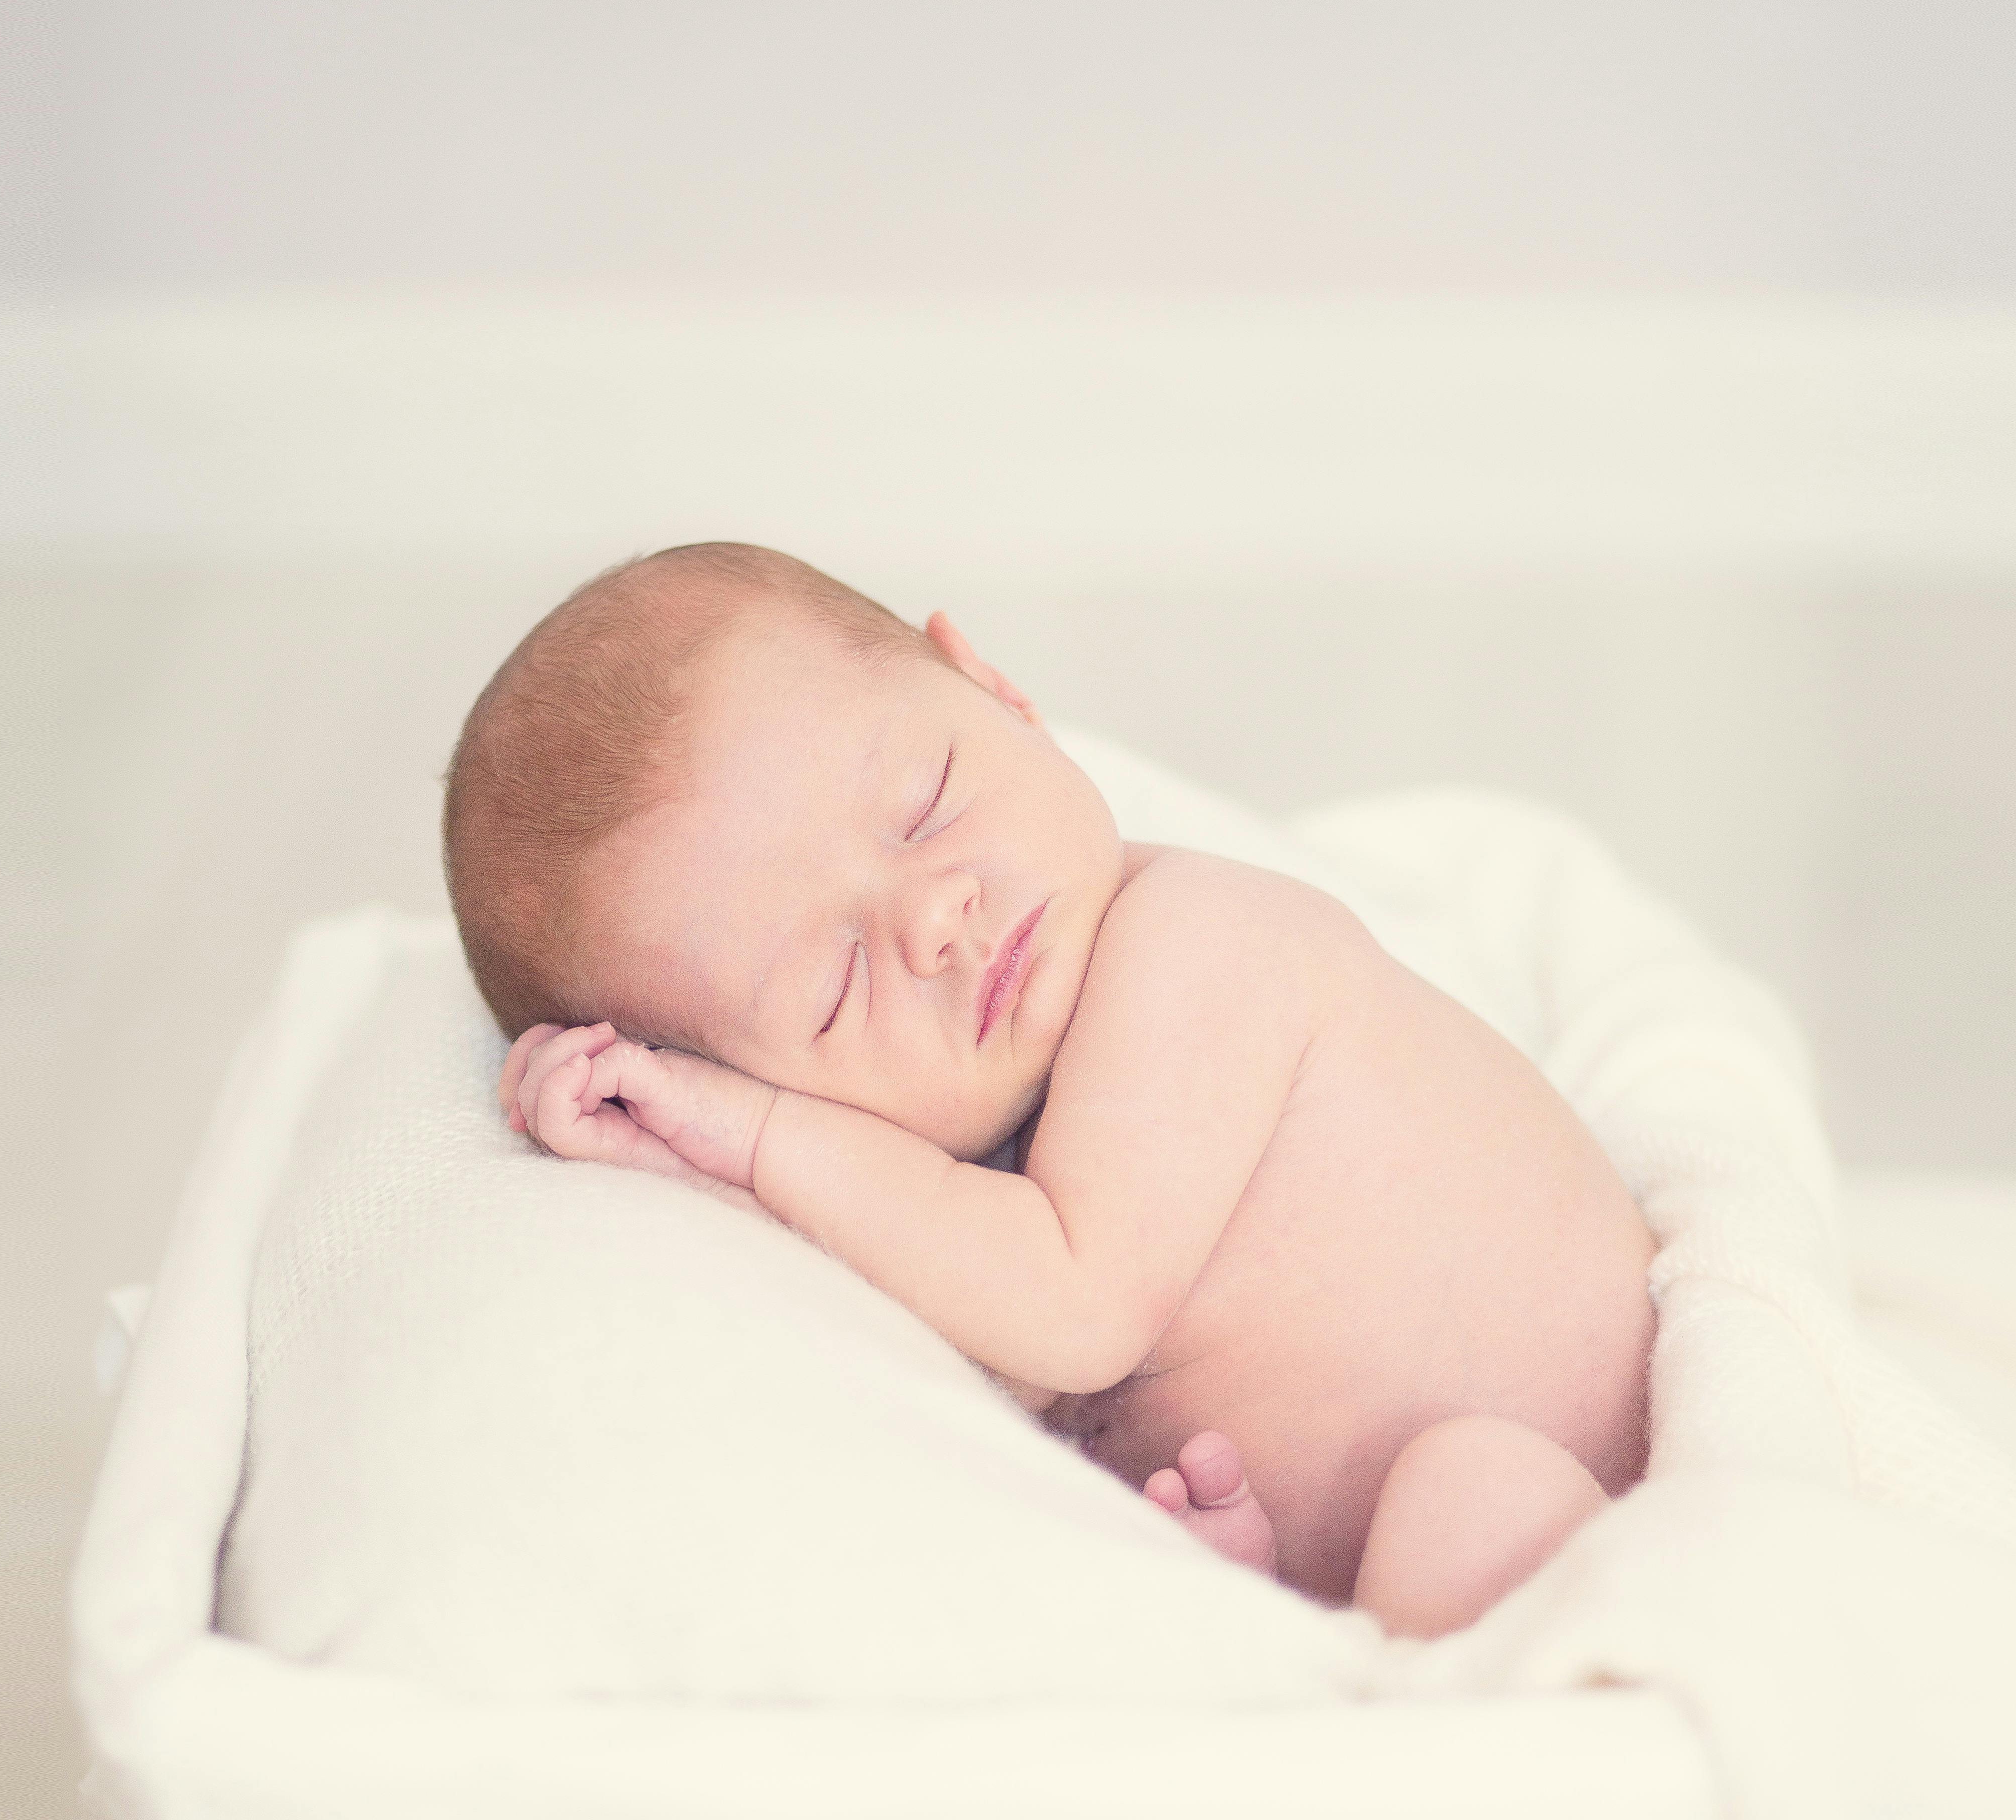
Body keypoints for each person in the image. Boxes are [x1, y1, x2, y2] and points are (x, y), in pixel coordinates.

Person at [444, 544, 1653, 1635]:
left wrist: (748, 1134)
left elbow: (1075, 1309)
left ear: (996, 689)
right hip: (1341, 1555)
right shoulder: (962, 1186)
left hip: (1578, 1478)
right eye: (830, 986)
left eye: (925, 805)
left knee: (1469, 1505)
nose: (932, 916)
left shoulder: (1195, 946)